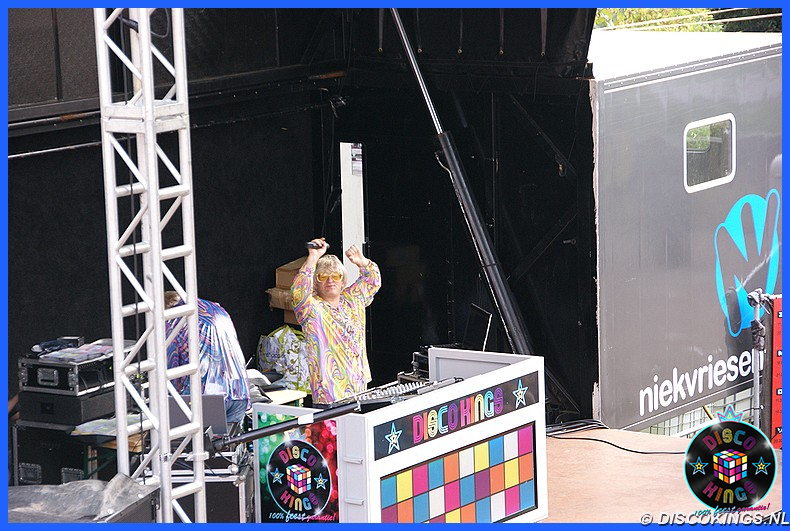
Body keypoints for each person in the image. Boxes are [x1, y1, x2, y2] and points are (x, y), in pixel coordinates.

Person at [291, 238, 382, 406]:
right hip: (328, 393)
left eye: (335, 276)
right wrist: (313, 257)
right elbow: (299, 292)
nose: (330, 280)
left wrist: (362, 262)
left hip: (359, 389)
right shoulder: (311, 308)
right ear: (315, 283)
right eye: (323, 276)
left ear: (343, 281)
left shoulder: (353, 299)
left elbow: (373, 281)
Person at [164, 291, 251, 425]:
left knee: (189, 437)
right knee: (230, 438)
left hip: (207, 397)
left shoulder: (173, 322)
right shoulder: (216, 309)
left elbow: (171, 370)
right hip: (239, 390)